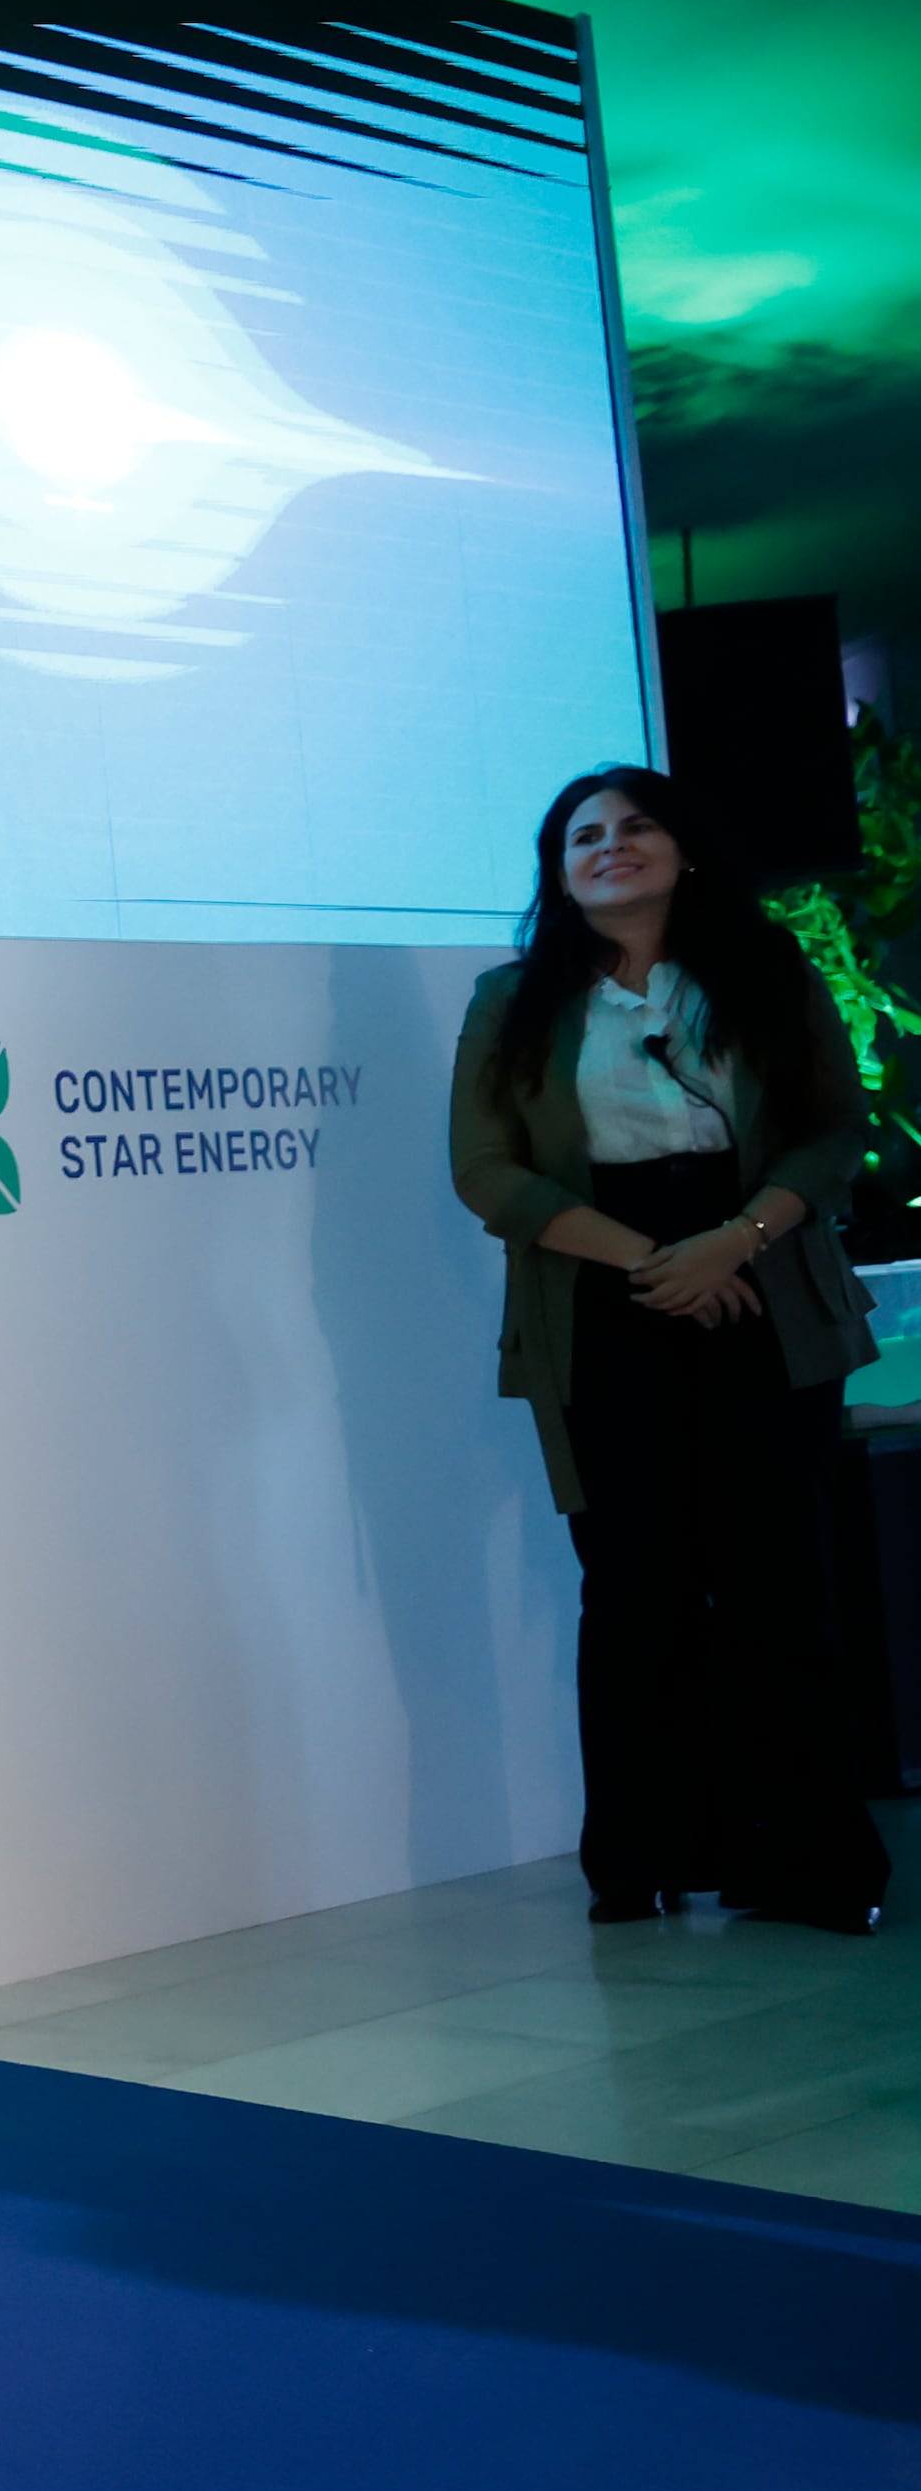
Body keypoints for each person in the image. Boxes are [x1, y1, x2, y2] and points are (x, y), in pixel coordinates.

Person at [448, 765, 886, 1934]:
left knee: (775, 1585)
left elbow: (830, 1129)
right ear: (556, 871)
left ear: (682, 849)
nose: (609, 845)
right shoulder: (510, 998)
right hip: (599, 1298)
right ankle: (637, 1859)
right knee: (633, 1588)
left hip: (763, 1284)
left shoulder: (765, 973)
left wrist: (730, 1244)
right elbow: (484, 1170)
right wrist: (654, 1261)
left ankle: (805, 1862)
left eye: (634, 825)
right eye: (581, 835)